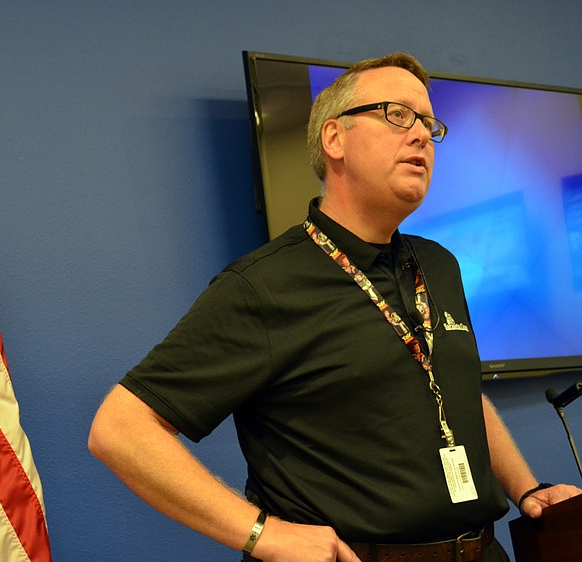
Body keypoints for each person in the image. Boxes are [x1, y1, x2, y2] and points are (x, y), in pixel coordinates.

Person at [88, 52, 581, 562]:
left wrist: (526, 488)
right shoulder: (264, 285)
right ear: (334, 139)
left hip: (483, 550)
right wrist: (263, 534)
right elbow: (120, 430)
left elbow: (455, 391)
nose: (419, 135)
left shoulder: (438, 265)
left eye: (429, 124)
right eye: (397, 114)